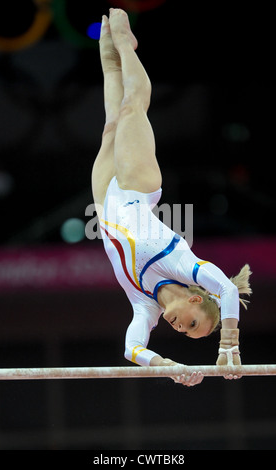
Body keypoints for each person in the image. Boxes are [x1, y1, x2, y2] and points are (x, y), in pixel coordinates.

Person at [91, 9, 252, 387]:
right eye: (192, 325)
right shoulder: (185, 266)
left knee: (111, 122)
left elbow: (131, 349)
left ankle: (107, 53)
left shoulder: (144, 306)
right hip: (136, 187)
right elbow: (227, 288)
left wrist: (165, 364)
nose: (181, 329)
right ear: (196, 299)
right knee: (132, 106)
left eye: (185, 335)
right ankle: (127, 47)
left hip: (104, 203)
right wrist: (229, 342)